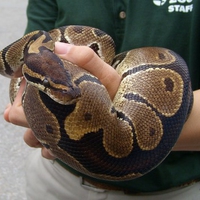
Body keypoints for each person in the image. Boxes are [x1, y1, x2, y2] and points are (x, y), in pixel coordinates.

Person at [4, 1, 200, 199]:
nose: (71, 93)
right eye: (48, 85)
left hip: (173, 190)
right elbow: (28, 61)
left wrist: (81, 135)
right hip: (54, 181)